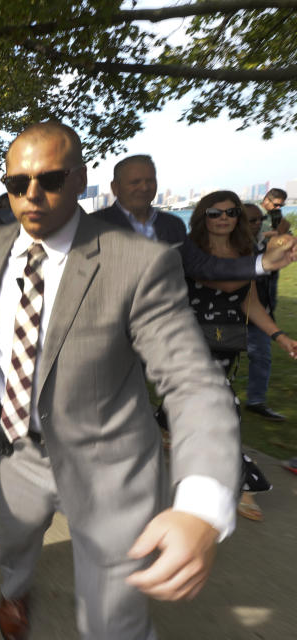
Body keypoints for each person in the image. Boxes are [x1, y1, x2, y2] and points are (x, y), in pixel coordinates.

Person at [0, 122, 241, 640]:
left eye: (49, 178)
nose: (32, 195)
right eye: (17, 183)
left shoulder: (140, 262)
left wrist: (202, 503)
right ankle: (15, 591)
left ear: (80, 178)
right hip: (16, 451)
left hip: (110, 465)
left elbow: (192, 381)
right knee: (16, 543)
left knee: (116, 624)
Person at [184, 192, 297, 522]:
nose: (223, 218)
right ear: (202, 216)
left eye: (230, 212)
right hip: (187, 339)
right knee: (223, 408)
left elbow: (249, 301)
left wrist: (279, 335)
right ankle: (246, 482)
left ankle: (171, 434)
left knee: (205, 409)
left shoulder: (244, 253)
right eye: (214, 213)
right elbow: (222, 280)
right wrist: (265, 263)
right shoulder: (191, 251)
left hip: (226, 340)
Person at [92, 155, 296, 280]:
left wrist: (264, 263)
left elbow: (203, 265)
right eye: (135, 182)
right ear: (115, 188)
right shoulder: (92, 226)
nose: (144, 187)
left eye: (149, 180)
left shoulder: (172, 224)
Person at [242, 203, 286, 420]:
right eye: (252, 220)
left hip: (260, 312)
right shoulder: (234, 247)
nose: (258, 223)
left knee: (262, 356)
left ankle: (256, 401)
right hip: (233, 314)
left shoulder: (263, 243)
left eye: (260, 219)